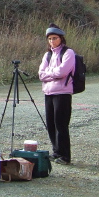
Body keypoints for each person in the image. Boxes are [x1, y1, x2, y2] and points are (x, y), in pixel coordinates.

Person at [38, 24, 76, 164]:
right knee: (51, 124)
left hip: (62, 93)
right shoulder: (47, 55)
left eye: (54, 38)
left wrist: (50, 74)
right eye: (49, 39)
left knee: (61, 124)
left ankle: (65, 156)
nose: (52, 41)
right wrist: (52, 75)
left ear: (61, 38)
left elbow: (62, 72)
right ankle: (56, 151)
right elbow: (41, 75)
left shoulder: (68, 53)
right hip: (49, 92)